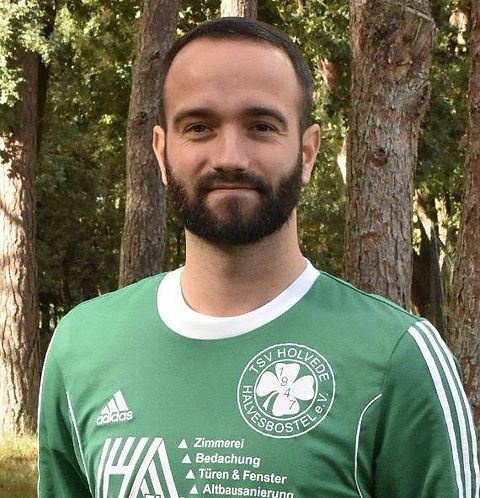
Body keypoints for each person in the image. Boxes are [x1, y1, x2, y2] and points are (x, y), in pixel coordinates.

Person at [38, 17, 479, 498]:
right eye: (199, 127)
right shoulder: (82, 346)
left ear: (307, 153)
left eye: (262, 126)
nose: (230, 157)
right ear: (161, 152)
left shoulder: (399, 357)